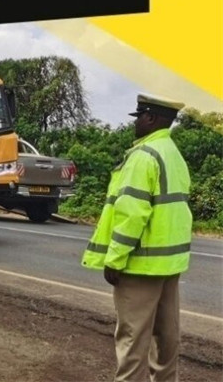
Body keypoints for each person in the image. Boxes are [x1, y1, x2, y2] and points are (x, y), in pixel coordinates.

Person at [82, 93, 191, 382]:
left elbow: (131, 214)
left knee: (133, 340)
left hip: (140, 265)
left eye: (139, 117)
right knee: (167, 339)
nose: (135, 123)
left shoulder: (144, 156)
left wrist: (115, 259)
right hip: (169, 265)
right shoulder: (173, 154)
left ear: (150, 118)